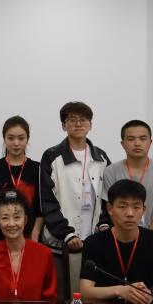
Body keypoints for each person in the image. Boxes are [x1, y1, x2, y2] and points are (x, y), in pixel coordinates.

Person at [80, 180, 153, 304]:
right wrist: (120, 291)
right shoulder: (94, 243)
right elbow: (85, 292)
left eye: (136, 207)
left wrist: (152, 294)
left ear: (143, 210)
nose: (130, 214)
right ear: (110, 208)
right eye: (122, 206)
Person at [39, 101, 112, 253]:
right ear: (63, 125)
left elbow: (109, 196)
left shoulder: (101, 157)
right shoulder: (52, 157)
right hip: (60, 242)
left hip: (95, 239)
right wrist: (66, 234)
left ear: (90, 125)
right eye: (72, 119)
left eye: (83, 119)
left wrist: (105, 223)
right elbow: (47, 200)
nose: (78, 124)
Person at [0, 192, 57, 302]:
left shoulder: (44, 254)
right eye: (5, 218)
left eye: (17, 217)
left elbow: (50, 299)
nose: (11, 224)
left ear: (25, 220)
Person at [101, 120, 153, 233]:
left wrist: (147, 236)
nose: (137, 143)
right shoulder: (111, 171)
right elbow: (111, 208)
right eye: (131, 139)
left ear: (150, 142)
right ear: (122, 144)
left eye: (142, 139)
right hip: (122, 236)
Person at [0, 115, 43, 240]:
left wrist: (36, 232)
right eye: (11, 138)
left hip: (30, 236)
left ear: (27, 139)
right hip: (0, 235)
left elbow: (41, 206)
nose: (16, 143)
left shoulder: (37, 168)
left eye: (21, 138)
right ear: (4, 139)